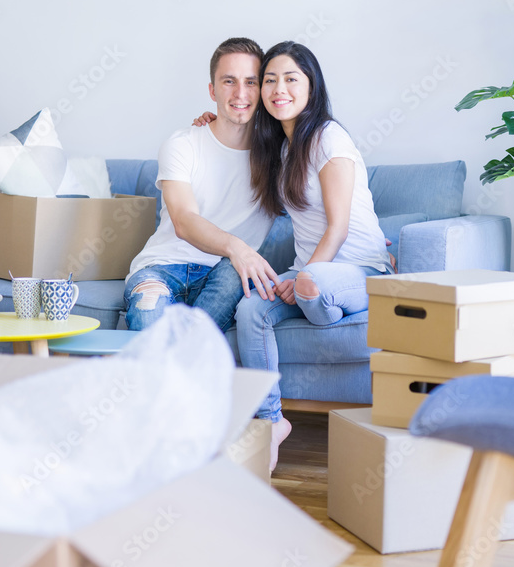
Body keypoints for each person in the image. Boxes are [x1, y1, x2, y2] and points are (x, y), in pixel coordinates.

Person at [235, 41, 392, 470]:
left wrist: (305, 274)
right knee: (250, 308)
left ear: (311, 86)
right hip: (312, 272)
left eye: (290, 79)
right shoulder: (280, 147)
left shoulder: (329, 137)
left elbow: (338, 227)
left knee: (311, 284)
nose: (278, 89)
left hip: (358, 269)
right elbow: (231, 129)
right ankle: (270, 421)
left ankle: (318, 299)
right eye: (269, 80)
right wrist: (208, 120)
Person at [123, 38, 279, 336]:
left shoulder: (279, 157)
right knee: (149, 321)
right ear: (212, 90)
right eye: (228, 81)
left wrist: (364, 245)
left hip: (227, 273)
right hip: (161, 268)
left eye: (251, 82)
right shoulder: (183, 144)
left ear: (263, 89)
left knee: (236, 273)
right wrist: (238, 247)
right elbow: (184, 220)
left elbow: (319, 196)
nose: (240, 93)